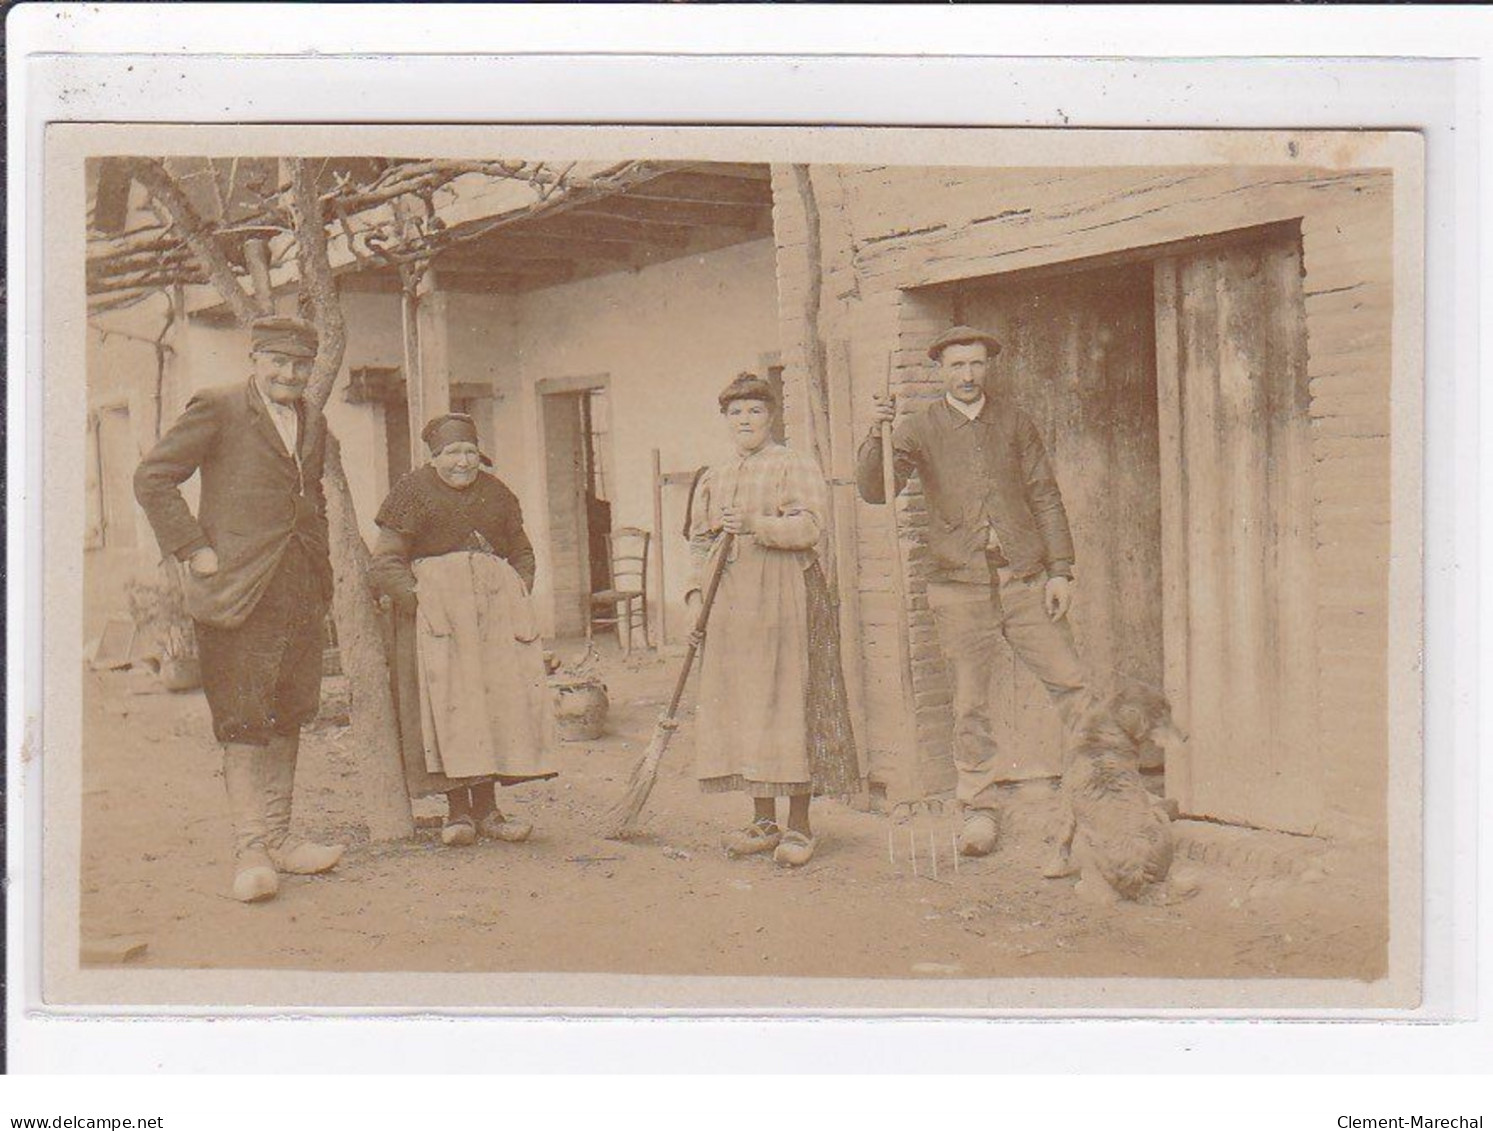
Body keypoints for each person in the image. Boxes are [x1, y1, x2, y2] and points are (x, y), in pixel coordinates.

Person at [856, 325, 1087, 867]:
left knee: (1073, 685)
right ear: (941, 371)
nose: (967, 375)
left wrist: (1060, 570)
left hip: (1023, 579)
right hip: (958, 586)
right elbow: (873, 489)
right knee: (970, 704)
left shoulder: (1013, 422)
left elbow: (1044, 495)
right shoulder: (917, 429)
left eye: (976, 365)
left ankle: (1091, 793)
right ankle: (978, 808)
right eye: (957, 366)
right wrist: (878, 433)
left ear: (988, 368)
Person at [133, 315, 344, 903]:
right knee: (244, 718)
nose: (290, 373)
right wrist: (194, 548)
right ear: (255, 357)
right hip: (237, 590)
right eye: (278, 361)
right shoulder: (219, 406)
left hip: (299, 587)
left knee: (292, 710)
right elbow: (153, 477)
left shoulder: (312, 420)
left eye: (301, 364)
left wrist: (321, 562)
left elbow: (311, 496)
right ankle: (250, 849)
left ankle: (279, 838)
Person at [687, 373, 861, 867]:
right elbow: (699, 542)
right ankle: (763, 819)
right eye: (736, 413)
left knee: (788, 701)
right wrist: (696, 597)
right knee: (746, 703)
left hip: (785, 593)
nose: (745, 421)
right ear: (725, 420)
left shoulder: (793, 464)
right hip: (731, 601)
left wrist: (758, 526)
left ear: (771, 418)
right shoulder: (715, 475)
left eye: (755, 412)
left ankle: (800, 826)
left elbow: (811, 527)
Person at [368, 413, 557, 847]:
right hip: (436, 624)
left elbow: (522, 552)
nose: (463, 462)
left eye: (470, 452)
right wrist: (422, 603)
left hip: (492, 623)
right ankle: (457, 813)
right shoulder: (411, 493)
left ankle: (489, 811)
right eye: (452, 453)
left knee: (491, 707)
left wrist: (515, 594)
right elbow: (386, 561)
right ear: (434, 457)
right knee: (448, 708)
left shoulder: (497, 494)